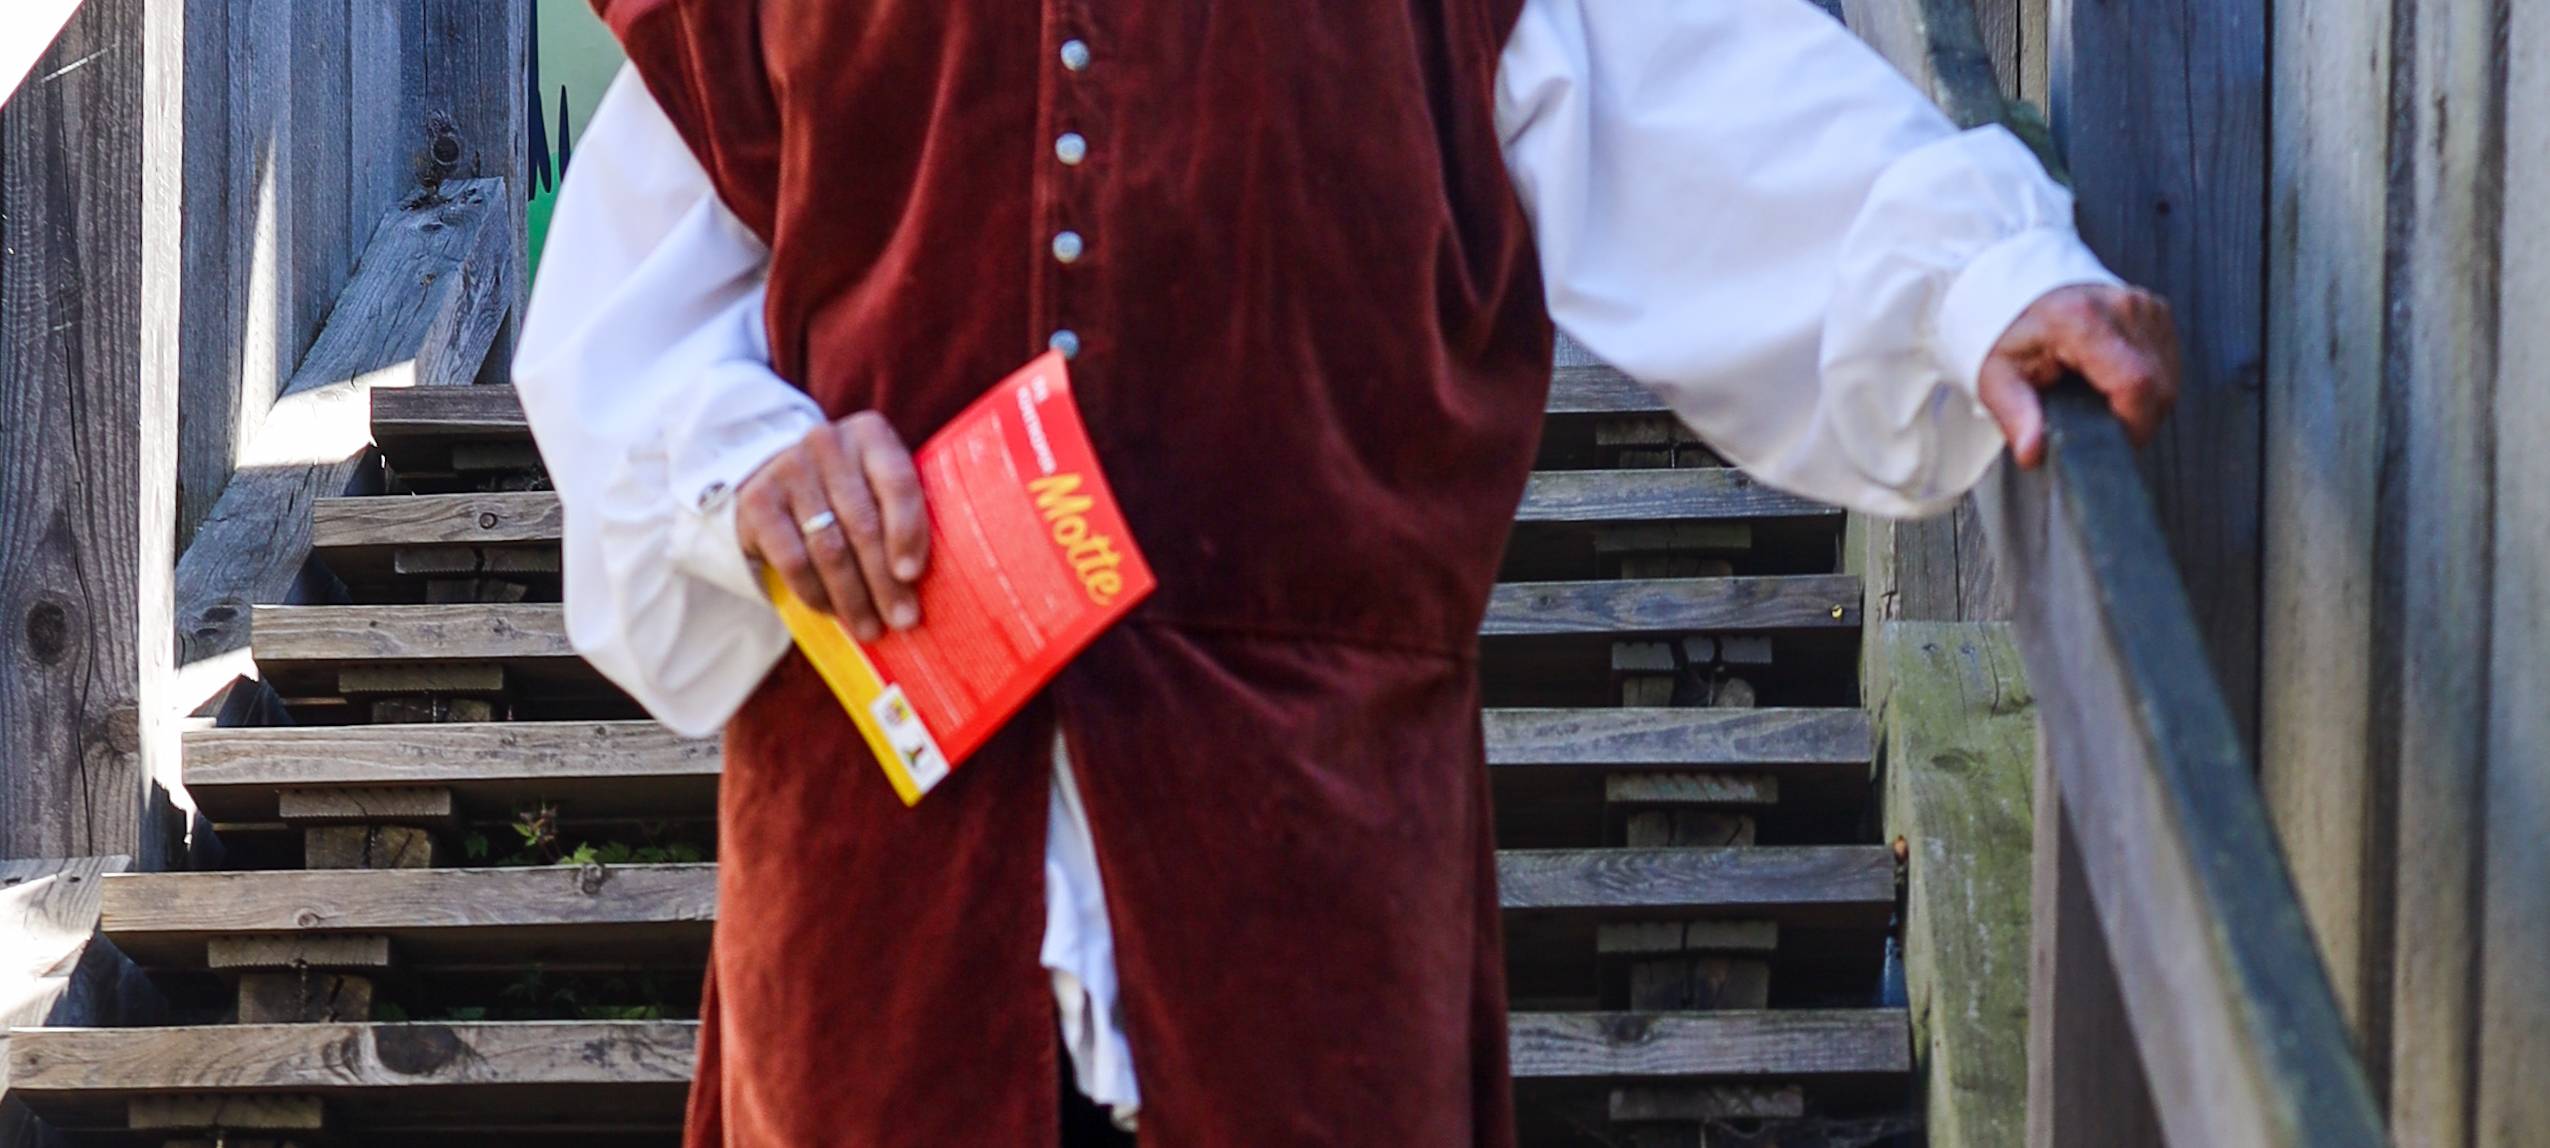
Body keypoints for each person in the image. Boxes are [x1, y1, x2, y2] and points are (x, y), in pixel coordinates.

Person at [513, 1, 2179, 1144]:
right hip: (881, 849)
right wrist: (751, 469)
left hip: (1299, 849)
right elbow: (621, 337)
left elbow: (1713, 109)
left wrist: (1978, 283)